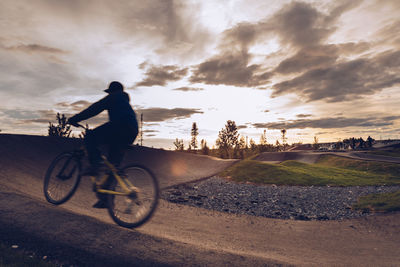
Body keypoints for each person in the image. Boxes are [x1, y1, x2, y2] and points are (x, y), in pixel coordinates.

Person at [67, 81, 139, 208]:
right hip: (132, 131)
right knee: (113, 166)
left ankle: (96, 165)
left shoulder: (114, 96)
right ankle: (107, 199)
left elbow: (94, 108)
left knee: (90, 136)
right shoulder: (124, 101)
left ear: (112, 91)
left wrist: (75, 119)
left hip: (120, 126)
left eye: (109, 92)